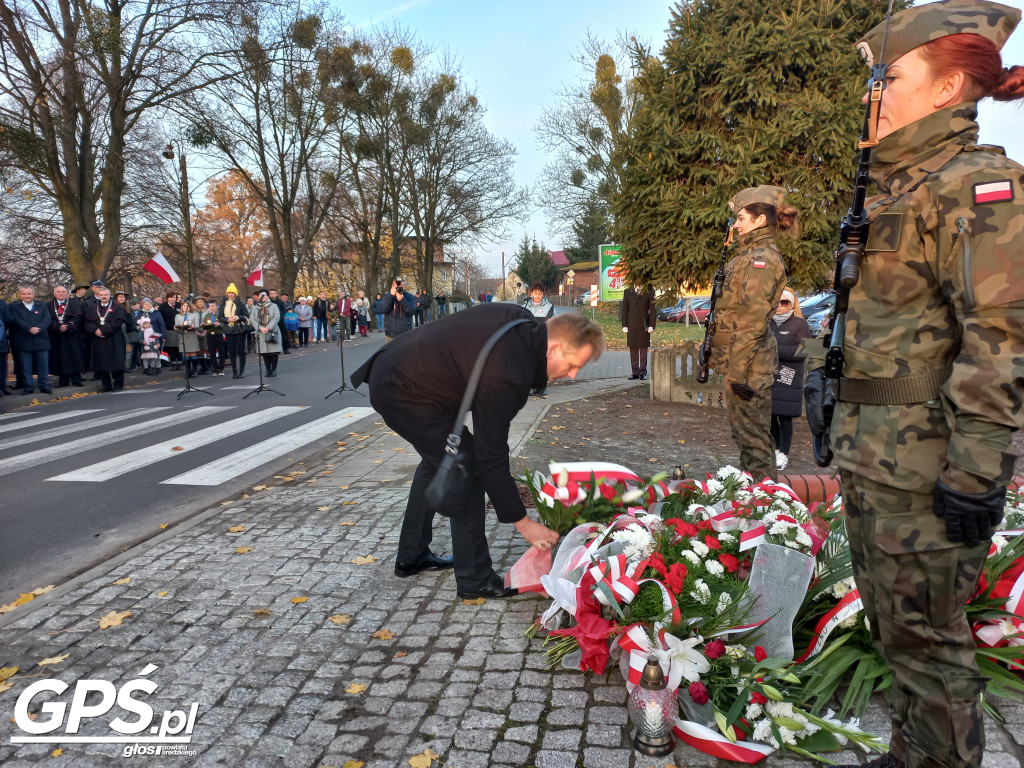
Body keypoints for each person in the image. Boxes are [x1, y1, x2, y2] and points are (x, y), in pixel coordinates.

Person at [826, 5, 1024, 768]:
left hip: (928, 471)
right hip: (878, 459)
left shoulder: (978, 187)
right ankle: (914, 752)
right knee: (895, 630)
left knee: (931, 643)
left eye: (890, 76)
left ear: (946, 88)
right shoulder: (895, 189)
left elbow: (1001, 340)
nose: (872, 94)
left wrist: (976, 473)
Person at [351, 304, 604, 598]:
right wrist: (524, 524)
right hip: (401, 389)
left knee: (440, 459)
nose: (573, 376)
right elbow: (490, 456)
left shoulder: (523, 324)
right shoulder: (508, 372)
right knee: (465, 465)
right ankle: (475, 579)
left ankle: (411, 555)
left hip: (406, 374)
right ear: (555, 348)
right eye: (573, 364)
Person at [710, 185, 795, 482]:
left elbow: (752, 321)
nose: (736, 224)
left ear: (760, 221)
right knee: (746, 439)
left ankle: (766, 508)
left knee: (755, 442)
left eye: (742, 218)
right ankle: (754, 500)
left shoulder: (762, 260)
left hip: (749, 367)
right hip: (742, 364)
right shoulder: (745, 257)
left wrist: (737, 373)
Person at [768, 288, 808, 472]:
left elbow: (803, 351)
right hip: (769, 374)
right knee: (770, 413)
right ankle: (775, 448)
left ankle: (784, 452)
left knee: (784, 416)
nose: (779, 306)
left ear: (791, 304)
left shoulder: (799, 324)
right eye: (777, 301)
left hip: (789, 375)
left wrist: (774, 352)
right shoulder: (768, 322)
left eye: (784, 302)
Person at [8, 286, 52, 395]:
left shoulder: (41, 305)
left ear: (33, 294)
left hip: (41, 339)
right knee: (25, 366)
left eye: (29, 294)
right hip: (23, 340)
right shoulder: (13, 306)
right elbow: (15, 320)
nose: (26, 296)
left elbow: (47, 319)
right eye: (24, 294)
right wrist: (29, 328)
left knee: (43, 365)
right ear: (20, 294)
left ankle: (44, 386)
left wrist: (39, 328)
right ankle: (28, 387)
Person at [84, 287, 129, 391]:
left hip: (114, 339)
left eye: (106, 295)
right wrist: (96, 331)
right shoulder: (92, 308)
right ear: (98, 296)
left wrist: (104, 331)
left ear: (110, 296)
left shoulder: (118, 308)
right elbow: (87, 322)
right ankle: (106, 385)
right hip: (99, 340)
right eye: (101, 295)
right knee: (101, 363)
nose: (103, 297)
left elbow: (118, 322)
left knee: (116, 362)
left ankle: (118, 384)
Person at [47, 285, 86, 388]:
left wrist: (68, 326)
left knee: (75, 356)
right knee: (60, 358)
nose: (61, 293)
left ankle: (76, 379)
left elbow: (78, 318)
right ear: (54, 293)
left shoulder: (75, 304)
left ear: (67, 293)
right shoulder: (48, 305)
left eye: (63, 292)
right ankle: (63, 380)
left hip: (72, 335)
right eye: (58, 291)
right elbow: (47, 319)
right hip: (57, 336)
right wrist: (58, 326)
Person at [523, 282, 555, 396]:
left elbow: (555, 323)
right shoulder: (525, 307)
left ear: (543, 294)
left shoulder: (549, 308)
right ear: (531, 293)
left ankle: (541, 387)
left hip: (543, 340)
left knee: (542, 365)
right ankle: (533, 387)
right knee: (530, 364)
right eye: (535, 293)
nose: (537, 296)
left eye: (540, 293)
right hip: (529, 340)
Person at [620, 283, 656, 381]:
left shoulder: (650, 291)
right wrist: (624, 324)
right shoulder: (628, 291)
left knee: (643, 347)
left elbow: (653, 310)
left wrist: (652, 325)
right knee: (633, 347)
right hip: (631, 323)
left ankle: (643, 372)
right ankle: (635, 372)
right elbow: (625, 310)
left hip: (644, 323)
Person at [219, 284, 250, 379]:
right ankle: (234, 371)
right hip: (229, 330)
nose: (231, 295)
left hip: (239, 330)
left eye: (233, 293)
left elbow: (247, 316)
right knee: (231, 352)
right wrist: (228, 319)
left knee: (241, 351)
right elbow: (220, 317)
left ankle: (241, 370)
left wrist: (238, 317)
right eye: (229, 293)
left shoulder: (240, 304)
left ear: (235, 294)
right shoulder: (224, 304)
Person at [252, 290, 282, 377]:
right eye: (261, 295)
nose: (262, 296)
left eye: (264, 294)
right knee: (265, 353)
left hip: (272, 331)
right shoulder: (256, 307)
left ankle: (274, 369)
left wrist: (268, 327)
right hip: (261, 332)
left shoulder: (274, 306)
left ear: (268, 296)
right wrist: (261, 328)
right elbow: (253, 319)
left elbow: (276, 317)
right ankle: (268, 370)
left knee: (273, 352)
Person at [174, 297, 206, 377]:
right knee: (186, 354)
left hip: (192, 335)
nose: (186, 308)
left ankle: (194, 370)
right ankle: (188, 371)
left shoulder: (194, 315)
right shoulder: (178, 316)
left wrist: (193, 327)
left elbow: (198, 326)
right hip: (183, 336)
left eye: (187, 306)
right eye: (184, 306)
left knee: (192, 353)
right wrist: (176, 328)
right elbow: (177, 327)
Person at [158, 291, 180, 370]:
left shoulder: (179, 305)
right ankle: (173, 363)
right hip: (169, 330)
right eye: (171, 297)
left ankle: (179, 363)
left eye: (174, 297)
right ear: (167, 298)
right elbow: (161, 319)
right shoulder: (163, 306)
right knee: (171, 347)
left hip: (179, 330)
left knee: (179, 347)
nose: (172, 299)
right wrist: (170, 326)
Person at [204, 300, 227, 375]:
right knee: (211, 352)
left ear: (217, 306)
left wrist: (219, 325)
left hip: (218, 334)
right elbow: (204, 324)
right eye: (210, 306)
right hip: (210, 334)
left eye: (213, 306)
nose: (212, 308)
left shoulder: (220, 315)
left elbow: (224, 326)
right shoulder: (207, 315)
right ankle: (215, 368)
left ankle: (221, 368)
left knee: (221, 352)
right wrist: (203, 325)